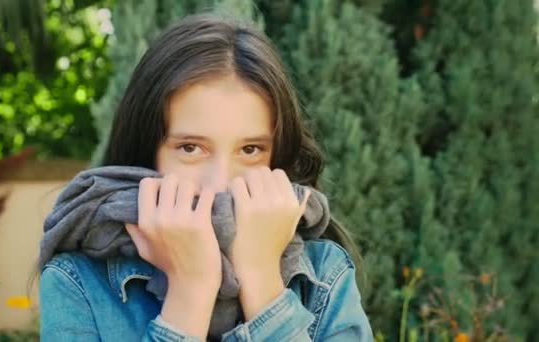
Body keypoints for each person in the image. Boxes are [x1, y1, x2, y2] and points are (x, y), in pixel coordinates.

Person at [39, 12, 373, 341]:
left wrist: (261, 278)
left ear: (277, 158)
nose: (219, 183)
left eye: (250, 150)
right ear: (147, 152)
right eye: (190, 148)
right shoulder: (79, 282)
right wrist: (190, 291)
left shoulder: (324, 273)